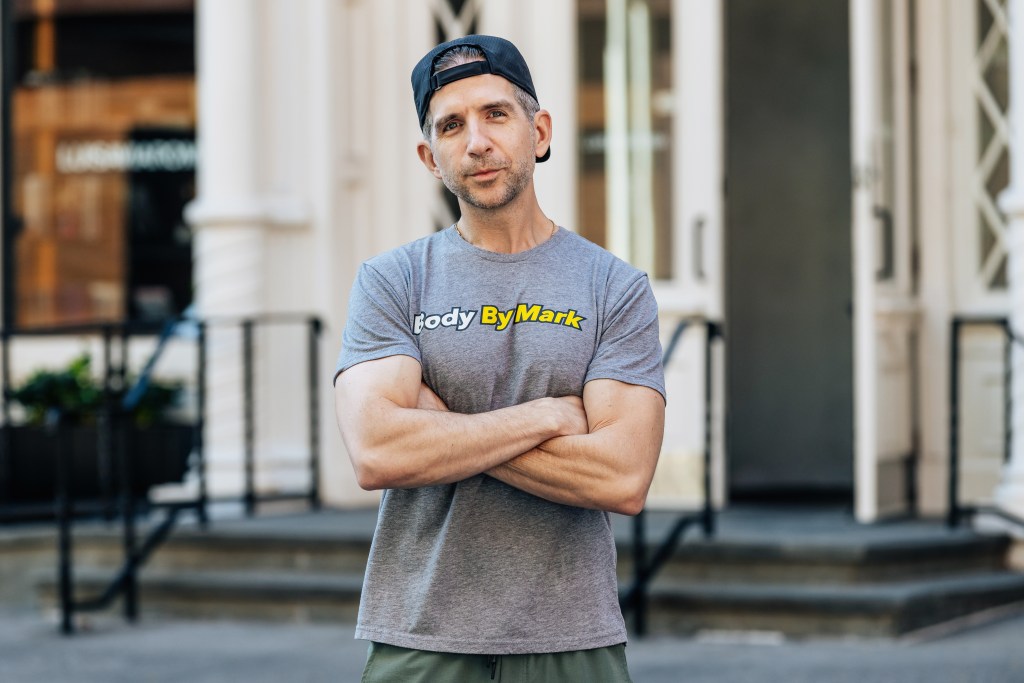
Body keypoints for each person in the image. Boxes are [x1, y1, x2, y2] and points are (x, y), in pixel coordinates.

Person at [333, 34, 666, 682]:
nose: (476, 141)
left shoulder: (612, 287)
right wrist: (546, 415)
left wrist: (440, 420)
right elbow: (377, 452)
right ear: (430, 157)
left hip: (572, 635)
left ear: (539, 131)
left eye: (496, 114)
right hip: (421, 633)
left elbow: (622, 476)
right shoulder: (393, 280)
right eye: (451, 125)